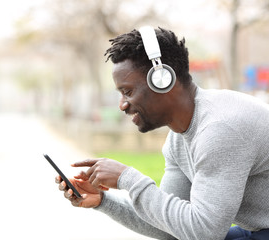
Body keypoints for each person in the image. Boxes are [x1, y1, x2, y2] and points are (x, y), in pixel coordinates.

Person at [55, 26, 269, 240]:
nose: (122, 105)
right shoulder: (179, 137)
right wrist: (103, 201)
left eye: (128, 92)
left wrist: (128, 178)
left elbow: (204, 232)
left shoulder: (220, 130)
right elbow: (170, 226)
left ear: (163, 79)